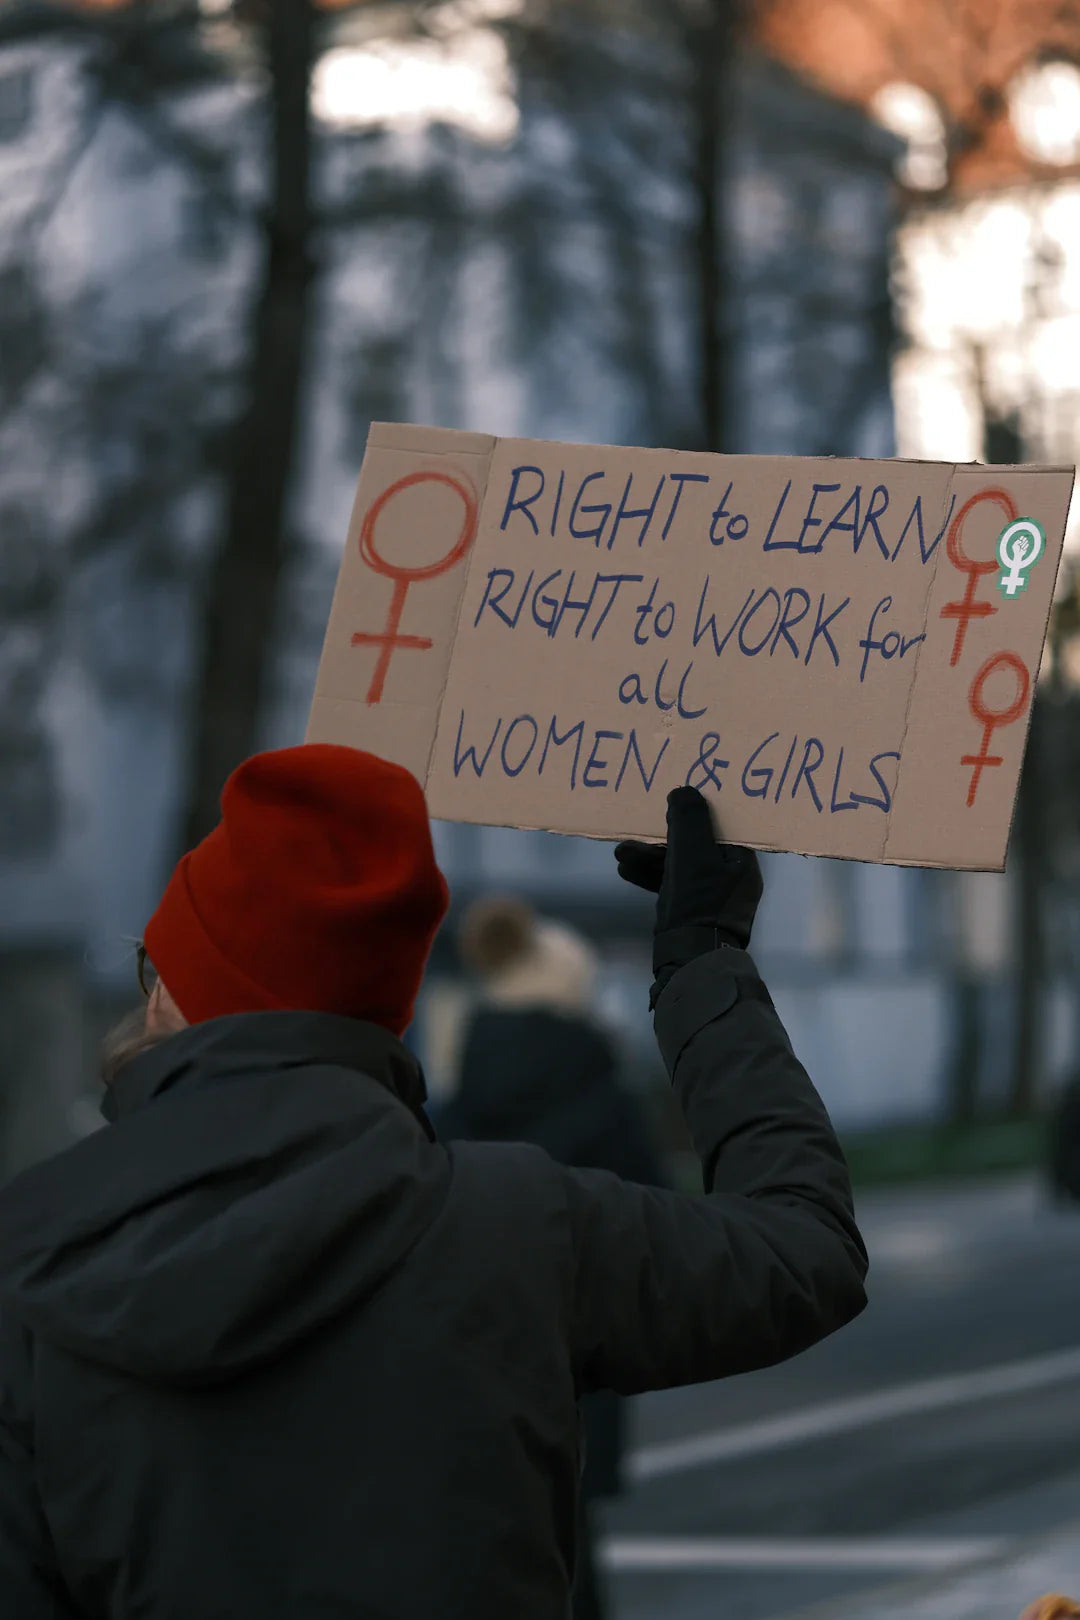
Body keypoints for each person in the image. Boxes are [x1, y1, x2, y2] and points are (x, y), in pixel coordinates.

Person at [0, 743, 868, 1620]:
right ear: (386, 1007)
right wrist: (700, 960)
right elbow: (804, 1249)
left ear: (170, 998)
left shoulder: (28, 1260)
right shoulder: (519, 1225)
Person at [444, 896, 668, 1618]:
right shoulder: (606, 1101)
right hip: (575, 1349)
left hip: (471, 1351)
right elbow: (657, 1229)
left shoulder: (456, 1103)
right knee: (570, 1550)